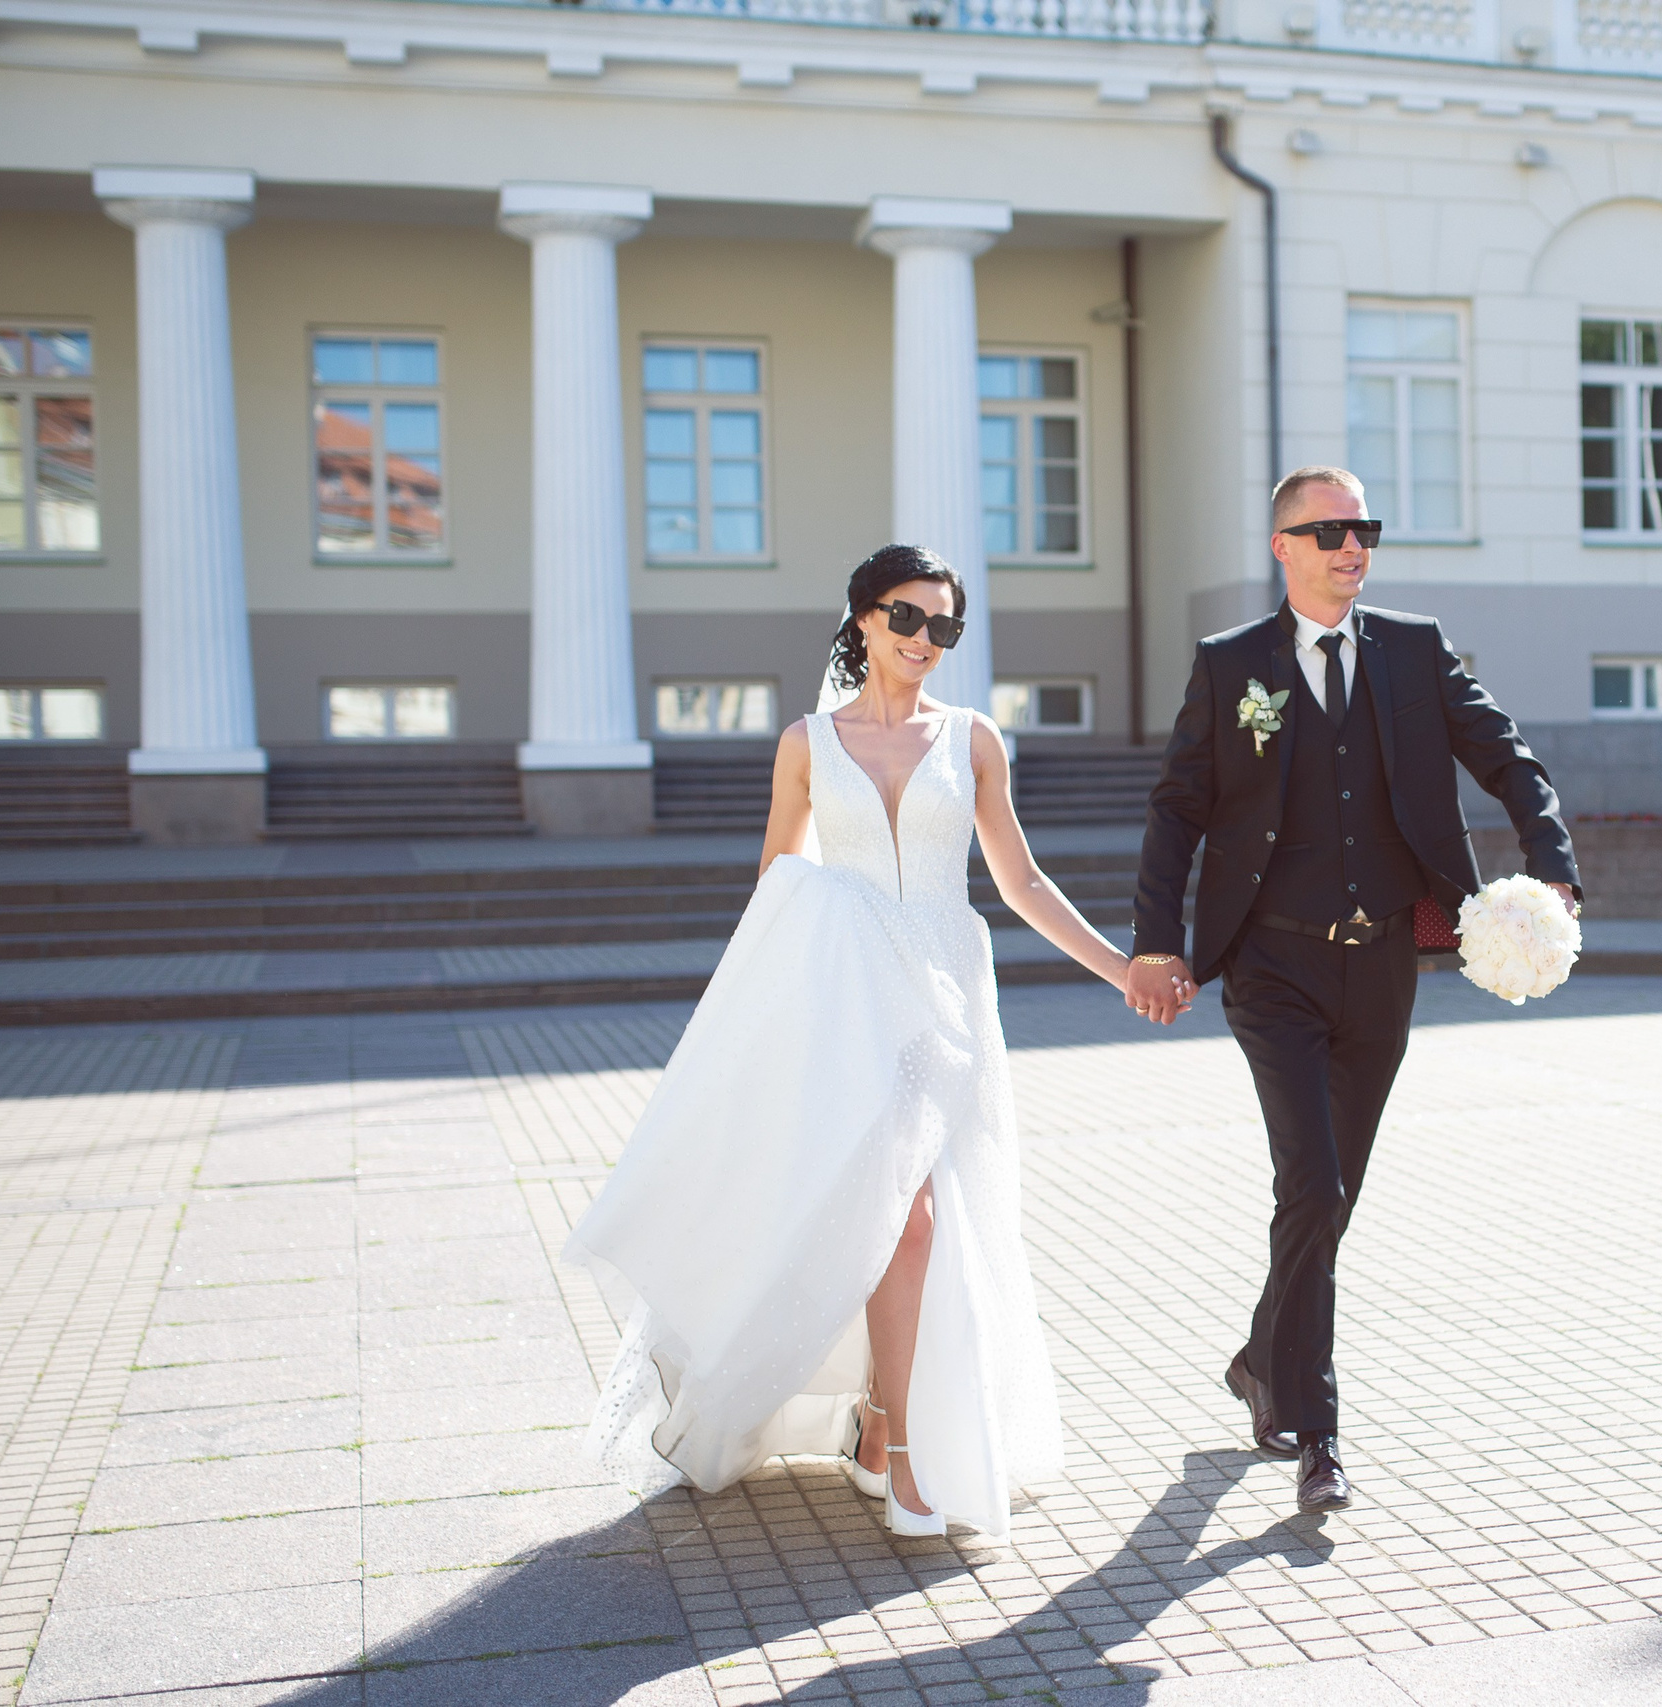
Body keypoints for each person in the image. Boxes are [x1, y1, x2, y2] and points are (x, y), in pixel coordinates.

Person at [568, 543, 1145, 1539]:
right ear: (864, 619)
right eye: (906, 617)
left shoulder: (973, 740)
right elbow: (776, 886)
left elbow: (1020, 882)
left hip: (942, 1004)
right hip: (844, 1009)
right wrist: (758, 1030)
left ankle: (888, 1431)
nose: (925, 638)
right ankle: (896, 1444)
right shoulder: (806, 744)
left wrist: (1122, 968)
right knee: (889, 1218)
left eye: (944, 624)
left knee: (927, 1219)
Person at [1124, 466, 1581, 1516]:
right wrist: (1154, 942)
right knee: (1313, 1183)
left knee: (1330, 1197)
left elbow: (1509, 759)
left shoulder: (1415, 652)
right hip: (1270, 966)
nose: (1351, 546)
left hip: (1380, 965)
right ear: (1282, 545)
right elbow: (1176, 811)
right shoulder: (1230, 664)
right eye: (1328, 530)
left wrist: (1550, 861)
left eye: (1363, 528)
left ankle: (1260, 1358)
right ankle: (1317, 1431)